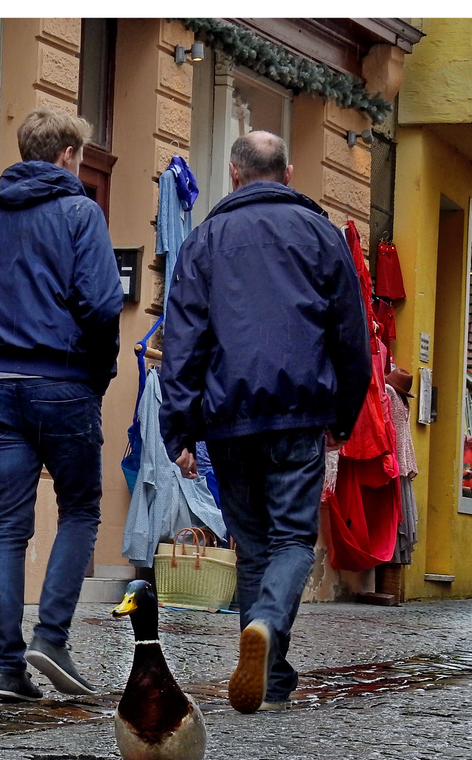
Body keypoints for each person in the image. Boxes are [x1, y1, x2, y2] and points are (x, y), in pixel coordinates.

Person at [159, 130, 372, 714]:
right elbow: (352, 337)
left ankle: (272, 677)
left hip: (228, 415)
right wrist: (345, 416)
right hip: (299, 411)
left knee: (253, 545)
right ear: (290, 171)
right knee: (293, 540)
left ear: (233, 172)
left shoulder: (205, 240)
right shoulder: (323, 236)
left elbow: (184, 340)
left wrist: (177, 426)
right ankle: (269, 631)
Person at [0, 108, 123, 703]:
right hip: (64, 382)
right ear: (69, 156)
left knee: (8, 524)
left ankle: (7, 667)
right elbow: (101, 306)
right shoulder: (81, 214)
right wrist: (94, 374)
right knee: (79, 509)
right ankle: (50, 637)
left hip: (0, 387)